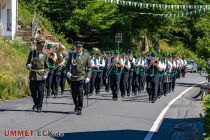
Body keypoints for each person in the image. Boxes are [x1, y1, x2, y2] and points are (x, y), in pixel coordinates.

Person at [66, 41, 91, 115]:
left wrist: (88, 77)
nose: (78, 49)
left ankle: (79, 107)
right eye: (77, 47)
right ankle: (76, 105)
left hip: (81, 76)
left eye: (79, 47)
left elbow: (89, 68)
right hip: (73, 77)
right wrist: (68, 72)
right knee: (74, 93)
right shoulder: (72, 55)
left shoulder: (86, 56)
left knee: (80, 92)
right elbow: (67, 66)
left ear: (81, 48)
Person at [26, 38, 49, 112]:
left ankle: (39, 106)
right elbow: (27, 63)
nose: (42, 47)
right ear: (37, 45)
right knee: (33, 92)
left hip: (41, 75)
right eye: (40, 45)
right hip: (33, 75)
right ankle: (36, 103)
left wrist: (46, 74)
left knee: (40, 91)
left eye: (42, 46)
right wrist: (28, 66)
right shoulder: (32, 53)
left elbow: (47, 67)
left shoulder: (45, 54)